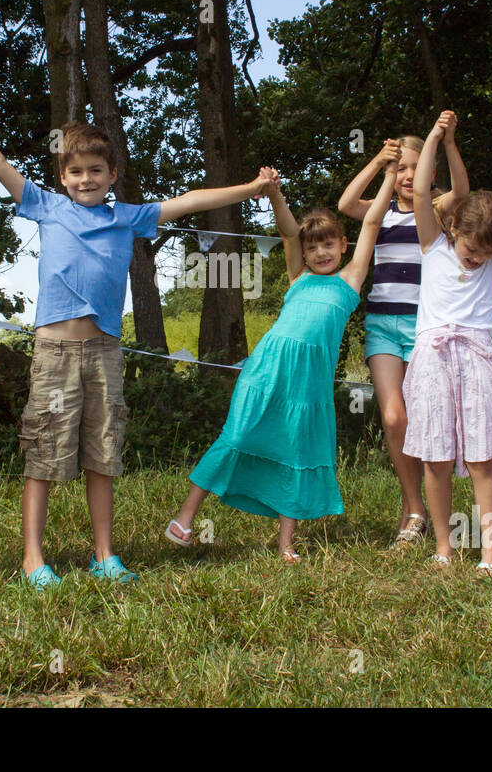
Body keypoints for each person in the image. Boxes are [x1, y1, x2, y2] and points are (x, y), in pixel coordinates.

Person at [0, 104, 272, 587]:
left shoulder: (128, 218)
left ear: (112, 175)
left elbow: (192, 200)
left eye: (95, 171)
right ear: (63, 176)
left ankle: (104, 554)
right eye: (75, 171)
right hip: (54, 354)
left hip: (105, 353)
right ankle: (32, 558)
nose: (85, 179)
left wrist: (253, 189)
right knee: (43, 454)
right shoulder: (46, 206)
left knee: (103, 454)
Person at [166, 153, 400, 562]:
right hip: (268, 370)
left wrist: (389, 172)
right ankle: (186, 518)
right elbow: (289, 231)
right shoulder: (299, 277)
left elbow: (373, 221)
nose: (322, 252)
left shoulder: (351, 279)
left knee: (296, 450)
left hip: (309, 384)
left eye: (329, 244)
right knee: (237, 435)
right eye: (314, 248)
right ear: (304, 255)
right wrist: (275, 194)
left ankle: (286, 542)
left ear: (343, 246)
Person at [400, 121, 492, 577]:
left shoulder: (491, 257)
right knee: (435, 459)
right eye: (467, 246)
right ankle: (443, 546)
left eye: (482, 251)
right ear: (452, 226)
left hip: (477, 357)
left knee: (481, 458)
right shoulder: (432, 245)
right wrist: (438, 139)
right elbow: (421, 194)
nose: (472, 257)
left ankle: (489, 555)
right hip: (433, 357)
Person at [337, 112, 469, 549]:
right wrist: (380, 162)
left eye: (417, 167)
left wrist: (446, 144)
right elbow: (344, 205)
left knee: (423, 418)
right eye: (404, 169)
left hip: (424, 327)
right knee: (394, 417)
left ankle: (428, 508)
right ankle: (413, 510)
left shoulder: (437, 208)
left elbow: (464, 192)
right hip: (381, 325)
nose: (409, 176)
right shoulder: (383, 211)